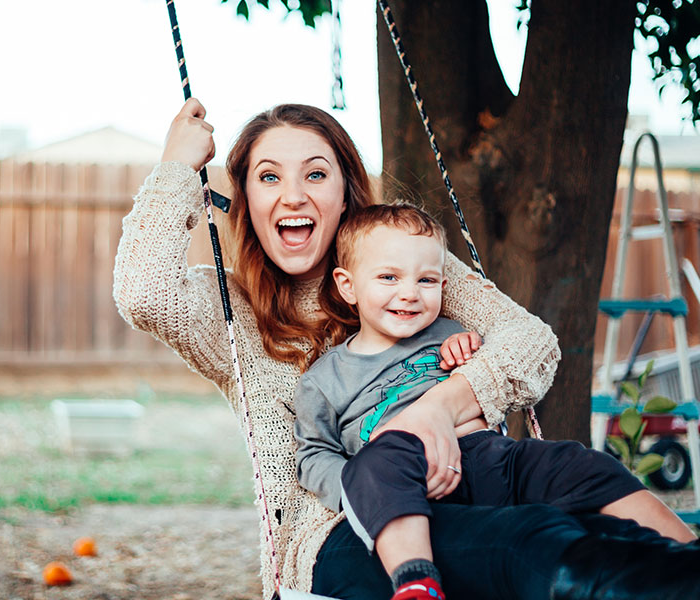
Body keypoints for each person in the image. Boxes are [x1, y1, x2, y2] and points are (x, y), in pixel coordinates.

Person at [113, 98, 700, 600]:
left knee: (587, 515)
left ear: (346, 192)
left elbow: (531, 343)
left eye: (315, 175)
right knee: (529, 544)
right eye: (268, 177)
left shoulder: (403, 265)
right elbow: (144, 292)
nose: (292, 195)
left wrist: (437, 410)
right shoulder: (231, 314)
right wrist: (175, 170)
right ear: (243, 196)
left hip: (469, 483)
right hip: (339, 534)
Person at [294, 202, 696, 600]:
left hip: (489, 456)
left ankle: (686, 551)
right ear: (348, 285)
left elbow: (500, 370)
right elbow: (313, 454)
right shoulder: (325, 379)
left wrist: (471, 352)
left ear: (443, 287)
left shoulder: (449, 334)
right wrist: (358, 488)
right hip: (405, 472)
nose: (409, 294)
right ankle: (416, 580)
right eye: (388, 277)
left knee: (580, 461)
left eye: (426, 281)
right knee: (379, 458)